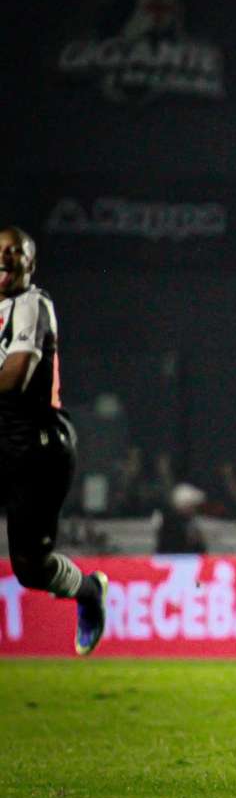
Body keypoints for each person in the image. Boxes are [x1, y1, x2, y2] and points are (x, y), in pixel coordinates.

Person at [0, 226, 107, 655]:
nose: (5, 258)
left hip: (38, 447)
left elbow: (18, 374)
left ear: (31, 263)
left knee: (30, 567)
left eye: (15, 252)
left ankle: (87, 592)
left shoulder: (33, 305)